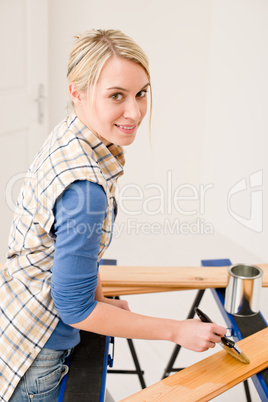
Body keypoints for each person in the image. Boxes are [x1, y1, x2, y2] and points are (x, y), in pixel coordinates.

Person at [0, 29, 226, 402]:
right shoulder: (84, 190)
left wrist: (99, 297)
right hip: (38, 353)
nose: (134, 111)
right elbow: (74, 309)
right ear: (77, 92)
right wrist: (176, 331)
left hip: (18, 316)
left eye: (141, 93)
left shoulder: (70, 134)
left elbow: (61, 251)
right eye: (117, 96)